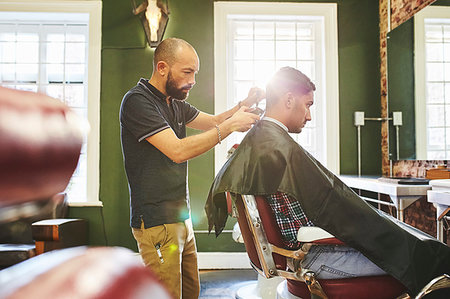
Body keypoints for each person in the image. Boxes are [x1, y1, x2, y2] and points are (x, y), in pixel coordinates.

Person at [206, 67, 450, 297]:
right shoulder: (277, 146)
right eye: (308, 105)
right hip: (315, 257)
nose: (310, 116)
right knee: (428, 261)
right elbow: (299, 225)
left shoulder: (264, 142)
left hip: (303, 254)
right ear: (289, 99)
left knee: (412, 245)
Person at [119, 37, 263, 299]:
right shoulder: (137, 102)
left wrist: (243, 105)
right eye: (187, 72)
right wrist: (230, 127)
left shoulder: (173, 103)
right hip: (156, 222)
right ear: (162, 68)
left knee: (190, 293)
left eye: (195, 73)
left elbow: (214, 122)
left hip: (180, 219)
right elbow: (177, 150)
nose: (193, 79)